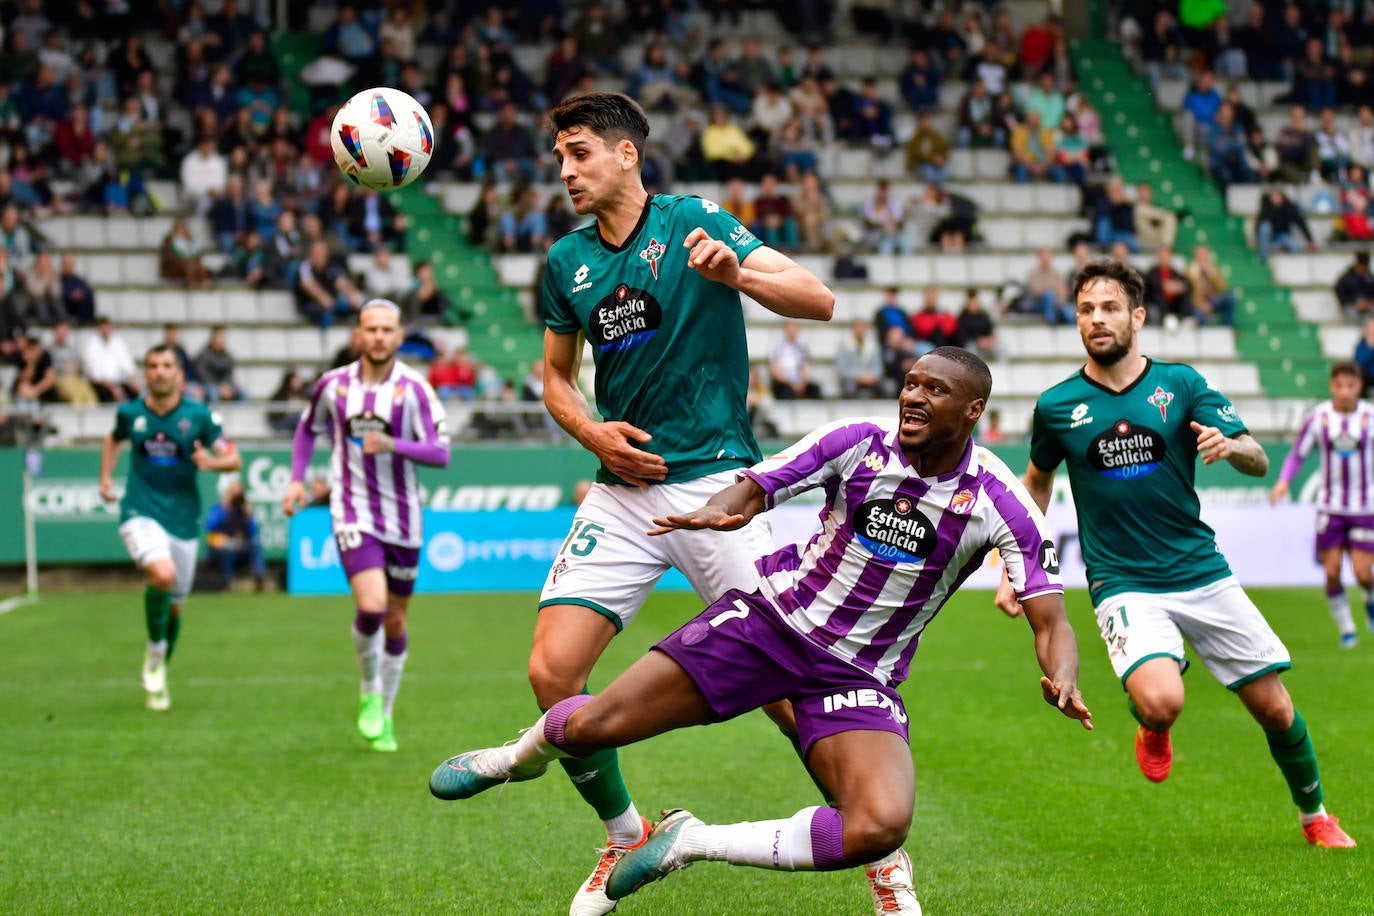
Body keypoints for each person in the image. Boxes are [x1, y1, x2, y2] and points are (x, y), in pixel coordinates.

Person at [430, 349, 1092, 912]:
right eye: (911, 383)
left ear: (972, 411)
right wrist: (717, 512)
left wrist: (1061, 675)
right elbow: (760, 483)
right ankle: (514, 759)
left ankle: (689, 840)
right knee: (593, 725)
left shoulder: (1001, 500)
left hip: (860, 675)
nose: (913, 397)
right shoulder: (857, 439)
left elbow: (1051, 618)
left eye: (934, 390)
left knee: (878, 825)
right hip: (771, 624)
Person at [510, 91, 906, 916]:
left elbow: (818, 298)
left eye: (578, 152)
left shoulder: (696, 221)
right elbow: (553, 376)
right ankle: (624, 834)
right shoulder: (566, 262)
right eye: (558, 156)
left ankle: (876, 849)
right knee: (553, 673)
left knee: (788, 687)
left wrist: (742, 274)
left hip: (717, 484)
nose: (565, 170)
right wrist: (593, 436)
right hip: (622, 491)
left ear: (627, 154)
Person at [996, 258, 1357, 848]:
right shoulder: (1057, 405)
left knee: (1275, 709)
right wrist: (1018, 563)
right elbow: (1035, 481)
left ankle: (1315, 815)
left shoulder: (1182, 385)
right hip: (1124, 582)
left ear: (1138, 316)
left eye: (1110, 307)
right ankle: (1152, 728)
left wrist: (1231, 445)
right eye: (1086, 309)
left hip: (1201, 571)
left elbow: (1258, 458)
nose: (1097, 319)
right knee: (1163, 702)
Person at [281, 299, 450, 753]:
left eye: (386, 330)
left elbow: (441, 452)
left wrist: (393, 443)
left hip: (404, 519)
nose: (378, 336)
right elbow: (305, 430)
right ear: (359, 334)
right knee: (372, 607)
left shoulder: (414, 389)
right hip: (352, 510)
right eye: (370, 329)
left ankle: (386, 711)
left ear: (399, 337)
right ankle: (369, 687)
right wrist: (297, 479)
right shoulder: (332, 387)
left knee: (395, 620)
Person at [98, 344, 242, 711]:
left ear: (180, 374)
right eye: (152, 366)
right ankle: (155, 651)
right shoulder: (130, 413)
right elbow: (113, 439)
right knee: (161, 575)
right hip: (140, 510)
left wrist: (209, 462)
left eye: (166, 366)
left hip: (183, 520)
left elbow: (234, 458)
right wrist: (104, 479)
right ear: (145, 373)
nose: (159, 372)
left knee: (176, 607)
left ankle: (158, 664)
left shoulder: (199, 416)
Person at [1270, 361, 1374, 647]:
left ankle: (1369, 596)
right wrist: (1284, 481)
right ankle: (1347, 629)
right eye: (1339, 386)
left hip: (1365, 508)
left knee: (1364, 574)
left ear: (1359, 386)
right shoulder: (1318, 418)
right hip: (1330, 508)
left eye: (1350, 386)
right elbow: (1297, 454)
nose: (1344, 392)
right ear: (1331, 386)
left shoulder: (1370, 416)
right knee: (1331, 572)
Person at [204, 474, 266, 591]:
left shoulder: (244, 510)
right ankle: (226, 582)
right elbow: (210, 526)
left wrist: (248, 514)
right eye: (233, 492)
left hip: (240, 547)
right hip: (222, 549)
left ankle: (259, 577)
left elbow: (253, 532)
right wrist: (225, 507)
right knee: (227, 550)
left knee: (256, 545)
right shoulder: (219, 508)